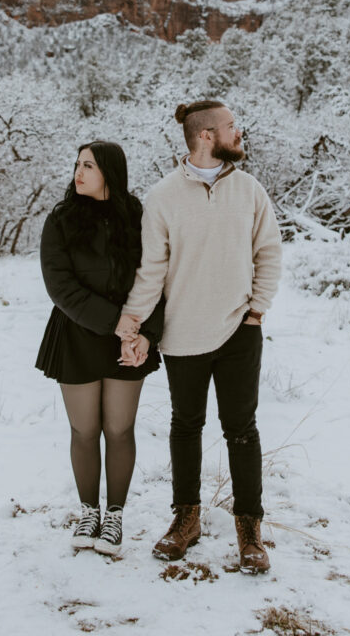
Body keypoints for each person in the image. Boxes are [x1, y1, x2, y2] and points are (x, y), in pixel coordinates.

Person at [116, 100, 282, 574]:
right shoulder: (164, 197)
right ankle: (185, 520)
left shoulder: (249, 190)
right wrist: (131, 323)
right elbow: (152, 271)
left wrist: (256, 310)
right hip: (183, 334)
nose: (239, 131)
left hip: (238, 332)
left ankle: (249, 530)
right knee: (185, 427)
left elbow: (269, 252)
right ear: (206, 135)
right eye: (231, 126)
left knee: (242, 431)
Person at [36, 140, 163, 556]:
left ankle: (115, 516)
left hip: (131, 338)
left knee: (120, 429)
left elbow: (159, 277)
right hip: (77, 334)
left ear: (110, 170)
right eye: (77, 164)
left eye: (88, 165)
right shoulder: (61, 219)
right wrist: (116, 324)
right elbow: (60, 285)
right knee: (85, 430)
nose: (79, 172)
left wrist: (146, 334)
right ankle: (88, 511)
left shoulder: (139, 217)